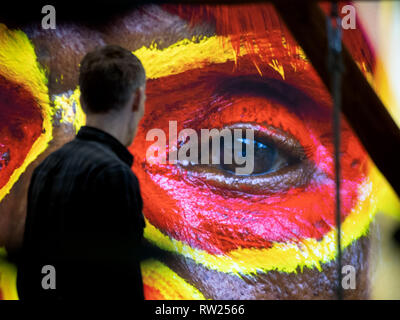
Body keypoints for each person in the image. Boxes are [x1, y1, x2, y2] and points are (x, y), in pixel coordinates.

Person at [16, 45, 147, 300]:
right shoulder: (114, 174)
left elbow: (29, 275)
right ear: (137, 99)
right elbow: (123, 285)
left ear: (82, 101)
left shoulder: (47, 167)